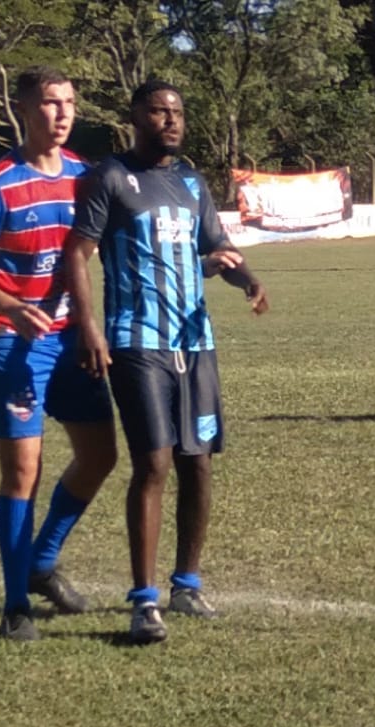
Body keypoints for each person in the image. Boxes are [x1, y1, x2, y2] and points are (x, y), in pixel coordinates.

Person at [64, 81, 269, 645]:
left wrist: (247, 279)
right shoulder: (110, 178)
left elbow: (217, 250)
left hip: (194, 342)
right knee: (153, 464)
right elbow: (78, 253)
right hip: (137, 341)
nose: (171, 120)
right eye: (158, 111)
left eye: (177, 112)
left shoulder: (191, 183)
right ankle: (143, 601)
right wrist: (89, 327)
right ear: (136, 117)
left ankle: (186, 585)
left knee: (197, 462)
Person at [0, 66, 117, 642]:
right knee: (23, 470)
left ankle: (42, 561)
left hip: (70, 337)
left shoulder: (86, 177)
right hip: (9, 338)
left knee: (100, 455)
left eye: (69, 102)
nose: (63, 112)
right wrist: (12, 307)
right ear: (24, 109)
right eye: (49, 102)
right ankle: (15, 605)